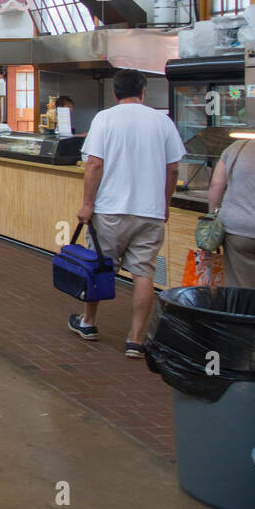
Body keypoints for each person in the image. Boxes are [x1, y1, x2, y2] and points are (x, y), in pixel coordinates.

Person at [71, 69, 185, 358]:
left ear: (114, 92)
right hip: (150, 212)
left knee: (97, 267)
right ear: (143, 92)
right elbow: (173, 168)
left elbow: (94, 164)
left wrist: (87, 204)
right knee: (143, 273)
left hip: (110, 210)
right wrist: (164, 203)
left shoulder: (105, 118)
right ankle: (135, 339)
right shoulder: (162, 121)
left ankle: (89, 322)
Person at [203, 135, 255, 288]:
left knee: (243, 290)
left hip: (237, 230)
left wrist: (212, 216)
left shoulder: (238, 147)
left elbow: (216, 186)